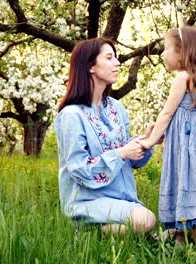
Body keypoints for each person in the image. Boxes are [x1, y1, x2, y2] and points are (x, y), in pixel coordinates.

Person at [137, 26, 196, 249]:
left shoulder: (182, 77)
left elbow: (167, 113)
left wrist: (150, 140)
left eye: (166, 48)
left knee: (186, 181)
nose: (162, 54)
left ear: (183, 53)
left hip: (187, 149)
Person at [54, 38, 157, 235]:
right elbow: (79, 169)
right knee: (146, 219)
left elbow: (128, 159)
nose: (117, 63)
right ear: (90, 66)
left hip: (121, 196)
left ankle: (119, 234)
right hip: (86, 201)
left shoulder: (117, 108)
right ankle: (88, 231)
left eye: (116, 57)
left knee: (144, 221)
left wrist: (145, 143)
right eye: (109, 57)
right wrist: (121, 153)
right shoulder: (71, 115)